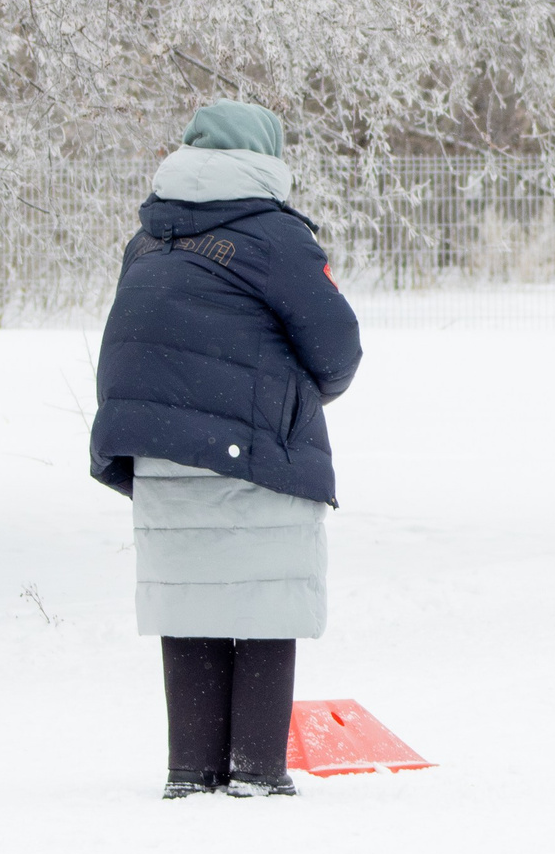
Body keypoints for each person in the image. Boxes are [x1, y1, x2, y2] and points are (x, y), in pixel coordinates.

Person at [91, 101, 363, 798]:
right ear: (267, 158)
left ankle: (192, 768)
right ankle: (256, 769)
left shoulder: (148, 238)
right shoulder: (276, 235)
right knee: (265, 594)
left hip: (155, 452)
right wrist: (289, 401)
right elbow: (338, 348)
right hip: (252, 449)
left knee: (190, 597)